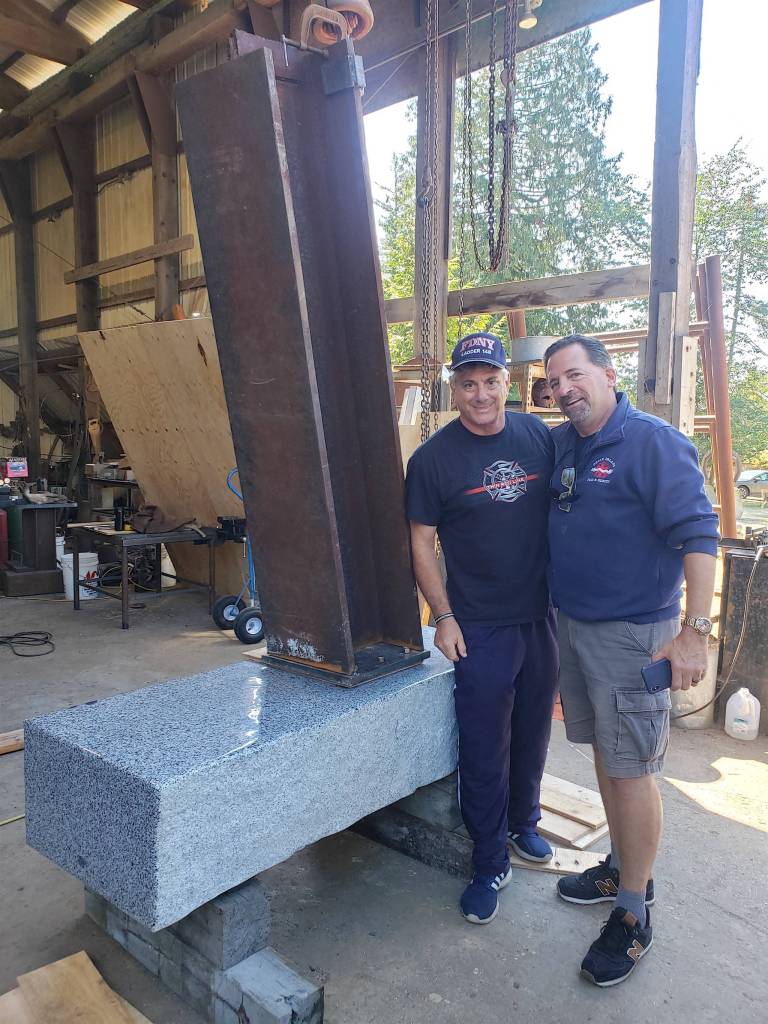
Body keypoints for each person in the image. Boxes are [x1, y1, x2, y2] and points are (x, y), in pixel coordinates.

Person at [544, 334, 719, 986]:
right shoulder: (565, 445)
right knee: (604, 755)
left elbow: (701, 535)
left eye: (574, 374)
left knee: (634, 768)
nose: (564, 388)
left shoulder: (653, 442)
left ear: (609, 374)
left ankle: (634, 911)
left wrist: (695, 634)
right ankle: (621, 864)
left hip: (634, 635)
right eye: (554, 381)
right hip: (576, 627)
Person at [405, 331, 559, 925]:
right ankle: (489, 859)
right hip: (479, 626)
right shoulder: (433, 460)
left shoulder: (538, 439)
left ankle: (524, 825)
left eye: (490, 381)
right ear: (455, 388)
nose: (480, 394)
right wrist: (442, 617)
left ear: (505, 383)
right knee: (484, 746)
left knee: (532, 731)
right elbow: (420, 542)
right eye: (468, 383)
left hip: (538, 615)